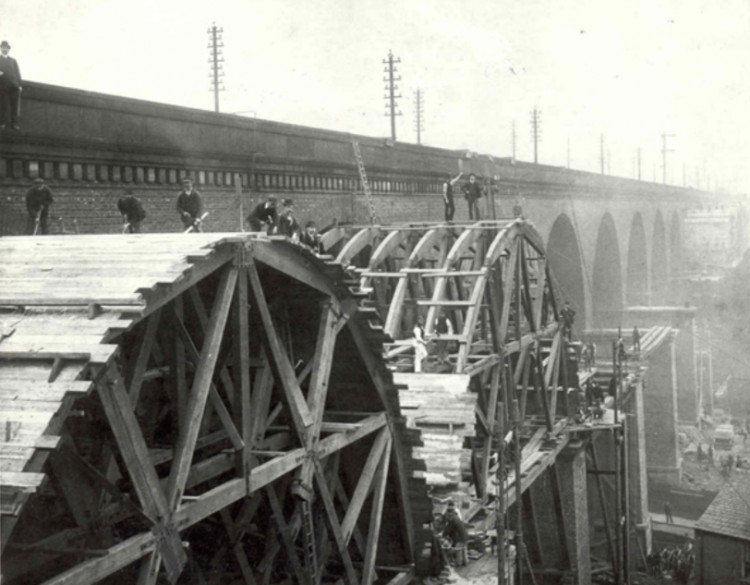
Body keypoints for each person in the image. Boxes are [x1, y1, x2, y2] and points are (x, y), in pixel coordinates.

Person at [0, 40, 22, 130]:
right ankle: (2, 123)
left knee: (14, 106)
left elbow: (17, 73)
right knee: (3, 105)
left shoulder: (13, 61)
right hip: (2, 85)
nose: (4, 49)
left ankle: (15, 124)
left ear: (8, 49)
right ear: (1, 48)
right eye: (3, 47)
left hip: (14, 86)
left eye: (6, 47)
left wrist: (19, 85)